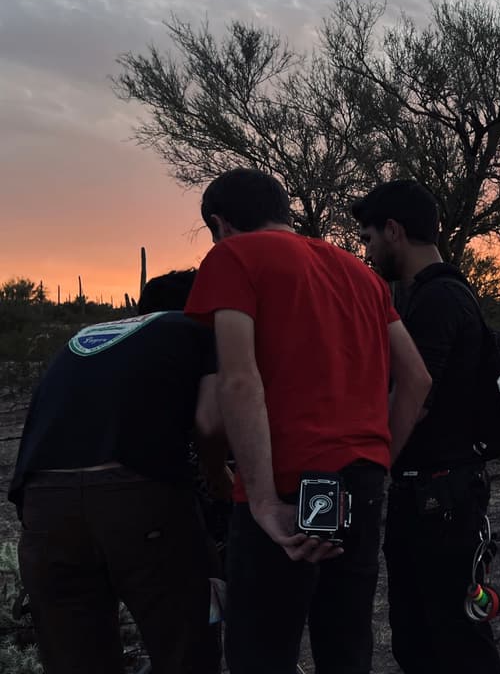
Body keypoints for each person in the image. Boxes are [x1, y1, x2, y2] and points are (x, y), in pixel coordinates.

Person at [184, 168, 431, 673]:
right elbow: (417, 380)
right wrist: (377, 463)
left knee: (260, 652)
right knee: (345, 647)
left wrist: (261, 500)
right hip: (359, 482)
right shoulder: (361, 274)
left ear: (220, 224)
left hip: (285, 483)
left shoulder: (233, 256)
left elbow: (238, 380)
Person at [10, 270, 226, 674]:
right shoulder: (197, 327)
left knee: (76, 659)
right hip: (135, 498)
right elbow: (211, 424)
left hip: (43, 505)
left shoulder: (88, 336)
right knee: (184, 647)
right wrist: (221, 479)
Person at [351, 179, 500, 673]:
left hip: (441, 498)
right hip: (435, 493)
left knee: (455, 642)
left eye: (369, 238)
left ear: (394, 230)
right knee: (421, 639)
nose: (368, 252)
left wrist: (373, 465)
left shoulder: (437, 300)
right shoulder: (435, 293)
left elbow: (415, 398)